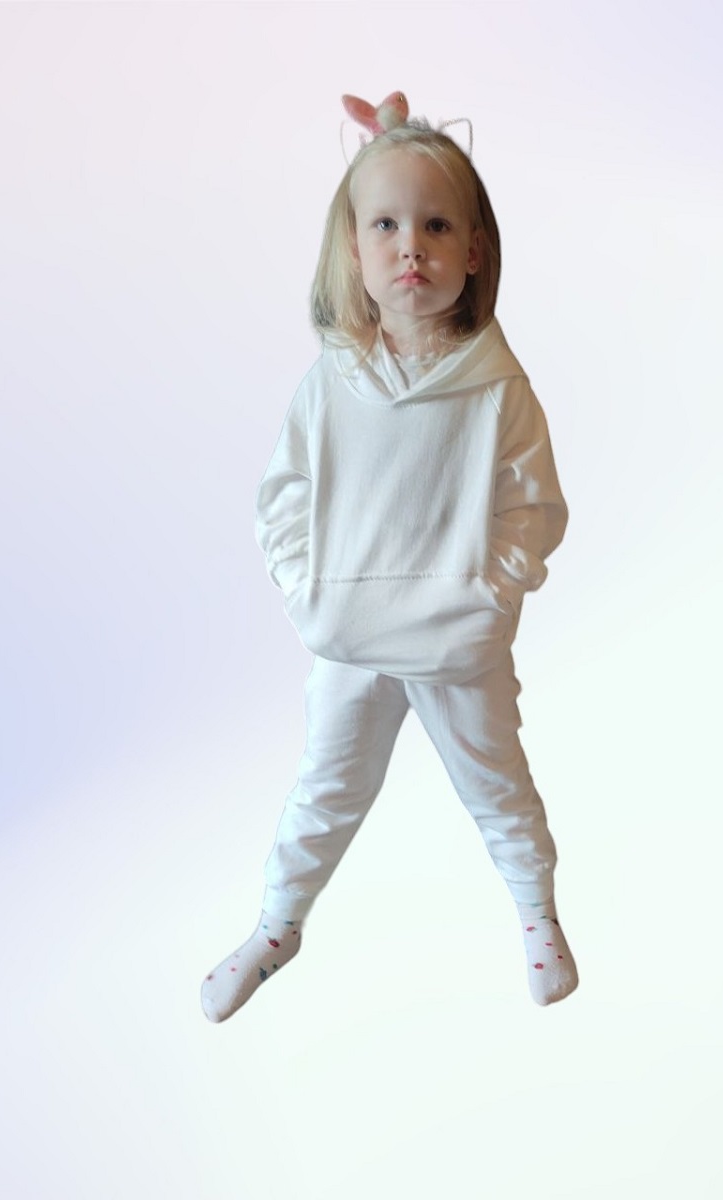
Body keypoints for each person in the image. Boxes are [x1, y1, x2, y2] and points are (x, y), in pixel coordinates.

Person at [201, 104, 578, 1022]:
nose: (411, 245)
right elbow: (282, 495)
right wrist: (309, 589)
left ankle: (537, 913)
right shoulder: (332, 382)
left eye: (437, 225)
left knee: (497, 782)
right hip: (351, 638)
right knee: (325, 787)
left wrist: (490, 597)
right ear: (354, 251)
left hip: (457, 640)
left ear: (476, 251)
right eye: (386, 224)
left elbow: (534, 508)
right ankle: (278, 925)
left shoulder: (497, 389)